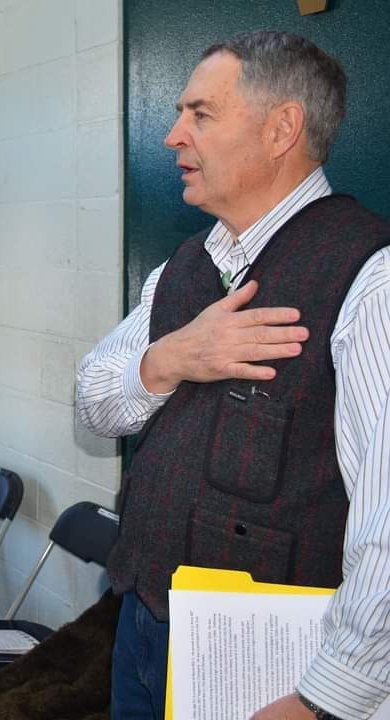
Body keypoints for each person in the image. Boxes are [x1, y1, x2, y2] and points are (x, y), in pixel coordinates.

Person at [76, 31, 390, 720]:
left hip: (279, 669)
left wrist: (326, 696)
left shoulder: (370, 277)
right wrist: (168, 360)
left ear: (282, 129)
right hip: (143, 628)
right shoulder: (184, 267)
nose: (171, 136)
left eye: (200, 114)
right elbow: (93, 403)